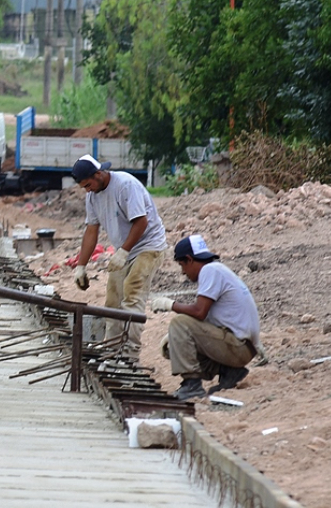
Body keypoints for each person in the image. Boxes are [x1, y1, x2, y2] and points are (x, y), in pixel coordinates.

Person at [71, 154, 168, 357]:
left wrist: (124, 251)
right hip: (124, 249)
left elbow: (141, 222)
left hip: (148, 246)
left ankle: (129, 355)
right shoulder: (92, 196)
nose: (87, 190)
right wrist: (81, 266)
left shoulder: (125, 185)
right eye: (84, 187)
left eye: (88, 184)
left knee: (132, 297)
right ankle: (113, 350)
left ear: (98, 174)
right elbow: (91, 230)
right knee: (113, 301)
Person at [151, 235, 261, 401]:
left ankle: (191, 386)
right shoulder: (217, 269)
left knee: (179, 323)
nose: (183, 272)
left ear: (189, 259)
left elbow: (199, 312)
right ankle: (229, 372)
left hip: (239, 348)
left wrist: (170, 305)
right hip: (242, 347)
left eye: (182, 265)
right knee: (174, 343)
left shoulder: (209, 271)